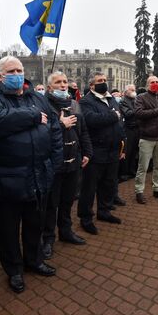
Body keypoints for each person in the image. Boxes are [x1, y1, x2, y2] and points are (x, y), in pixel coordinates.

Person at [0, 56, 63, 294]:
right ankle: (14, 270)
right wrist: (32, 117)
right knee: (9, 230)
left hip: (39, 174)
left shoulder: (36, 97)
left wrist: (53, 162)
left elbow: (55, 128)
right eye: (11, 70)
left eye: (19, 69)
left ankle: (34, 261)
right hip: (8, 177)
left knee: (35, 224)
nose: (17, 73)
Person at [42, 72, 92, 260]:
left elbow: (83, 131)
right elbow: (40, 133)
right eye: (58, 82)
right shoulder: (44, 106)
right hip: (54, 165)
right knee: (51, 204)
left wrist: (87, 152)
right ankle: (47, 238)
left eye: (64, 82)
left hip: (73, 161)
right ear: (49, 87)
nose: (63, 85)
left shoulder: (74, 104)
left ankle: (66, 231)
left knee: (67, 201)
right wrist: (60, 125)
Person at [78, 73, 125, 234]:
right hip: (96, 151)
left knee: (109, 184)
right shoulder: (86, 101)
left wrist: (121, 145)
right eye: (100, 81)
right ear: (92, 85)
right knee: (89, 188)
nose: (104, 83)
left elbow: (119, 121)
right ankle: (86, 218)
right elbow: (91, 120)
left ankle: (104, 211)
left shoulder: (111, 99)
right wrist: (112, 116)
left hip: (113, 150)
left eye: (105, 80)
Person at [133, 76, 158, 204]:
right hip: (147, 138)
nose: (155, 84)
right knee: (143, 167)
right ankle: (139, 191)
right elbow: (138, 113)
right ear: (147, 84)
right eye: (152, 82)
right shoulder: (141, 97)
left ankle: (157, 188)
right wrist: (156, 111)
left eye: (157, 82)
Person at [119, 84, 138, 180]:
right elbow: (127, 113)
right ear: (126, 92)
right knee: (127, 151)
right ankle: (124, 172)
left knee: (134, 150)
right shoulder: (123, 101)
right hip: (128, 129)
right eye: (132, 90)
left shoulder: (135, 100)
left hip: (136, 128)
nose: (134, 91)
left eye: (134, 89)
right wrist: (137, 110)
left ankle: (132, 170)